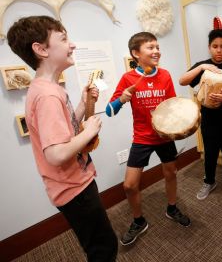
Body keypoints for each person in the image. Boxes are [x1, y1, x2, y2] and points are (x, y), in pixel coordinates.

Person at [7, 16, 117, 261]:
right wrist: (89, 131)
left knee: (100, 243)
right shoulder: (47, 96)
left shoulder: (49, 89)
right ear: (41, 49)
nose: (73, 45)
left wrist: (81, 104)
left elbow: (65, 129)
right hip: (73, 189)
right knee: (104, 248)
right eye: (64, 38)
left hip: (76, 182)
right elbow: (55, 153)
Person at [106, 32, 190, 246]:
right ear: (136, 53)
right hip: (142, 138)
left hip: (164, 136)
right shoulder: (128, 78)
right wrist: (122, 99)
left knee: (170, 172)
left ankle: (172, 208)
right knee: (129, 185)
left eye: (157, 46)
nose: (156, 51)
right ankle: (139, 221)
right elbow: (108, 111)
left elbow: (172, 105)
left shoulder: (165, 75)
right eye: (150, 48)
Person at [179, 29, 222, 200]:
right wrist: (202, 67)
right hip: (209, 118)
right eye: (215, 46)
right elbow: (182, 81)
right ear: (209, 47)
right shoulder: (204, 66)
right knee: (210, 152)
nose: (219, 50)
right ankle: (209, 181)